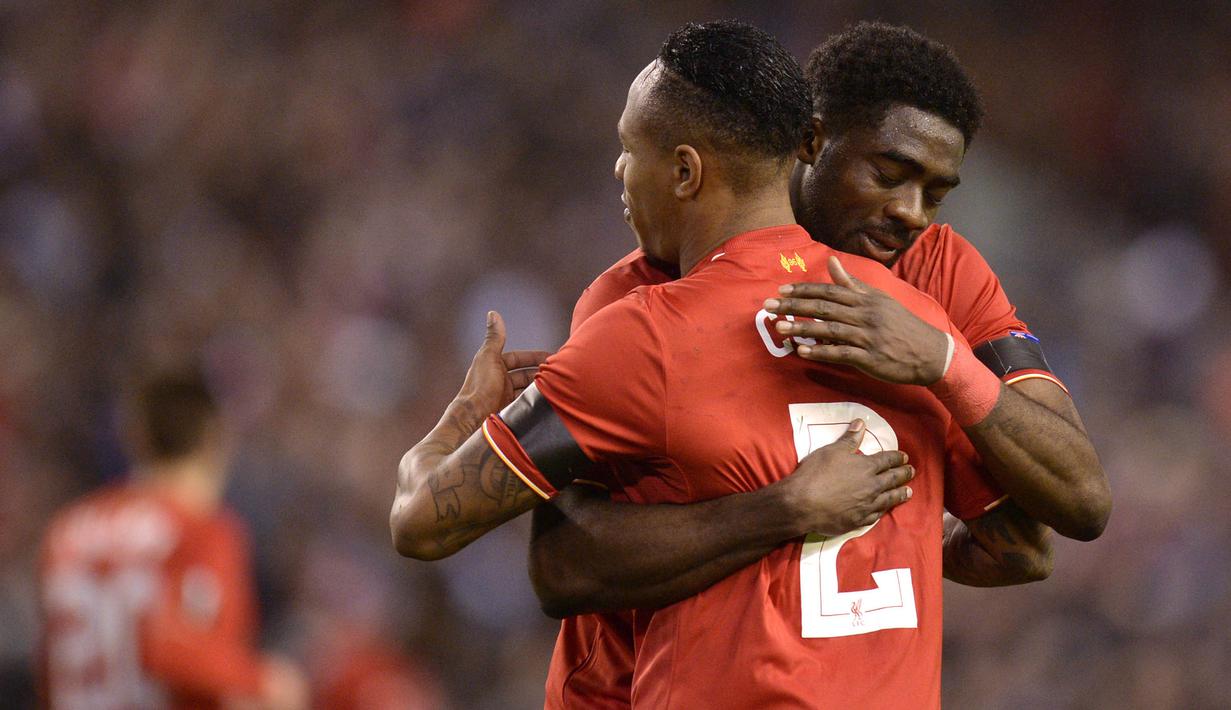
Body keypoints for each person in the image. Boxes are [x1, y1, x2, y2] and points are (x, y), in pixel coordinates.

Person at [391, 20, 1047, 707]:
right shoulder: (905, 319)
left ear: (684, 170)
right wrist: (885, 537)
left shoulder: (644, 334)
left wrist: (464, 414)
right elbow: (1021, 548)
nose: (619, 171)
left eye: (627, 150)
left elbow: (420, 520)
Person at [39, 369, 308, 710]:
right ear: (215, 439)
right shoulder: (200, 529)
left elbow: (50, 664)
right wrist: (264, 681)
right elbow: (172, 649)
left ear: (137, 438)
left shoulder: (67, 530)